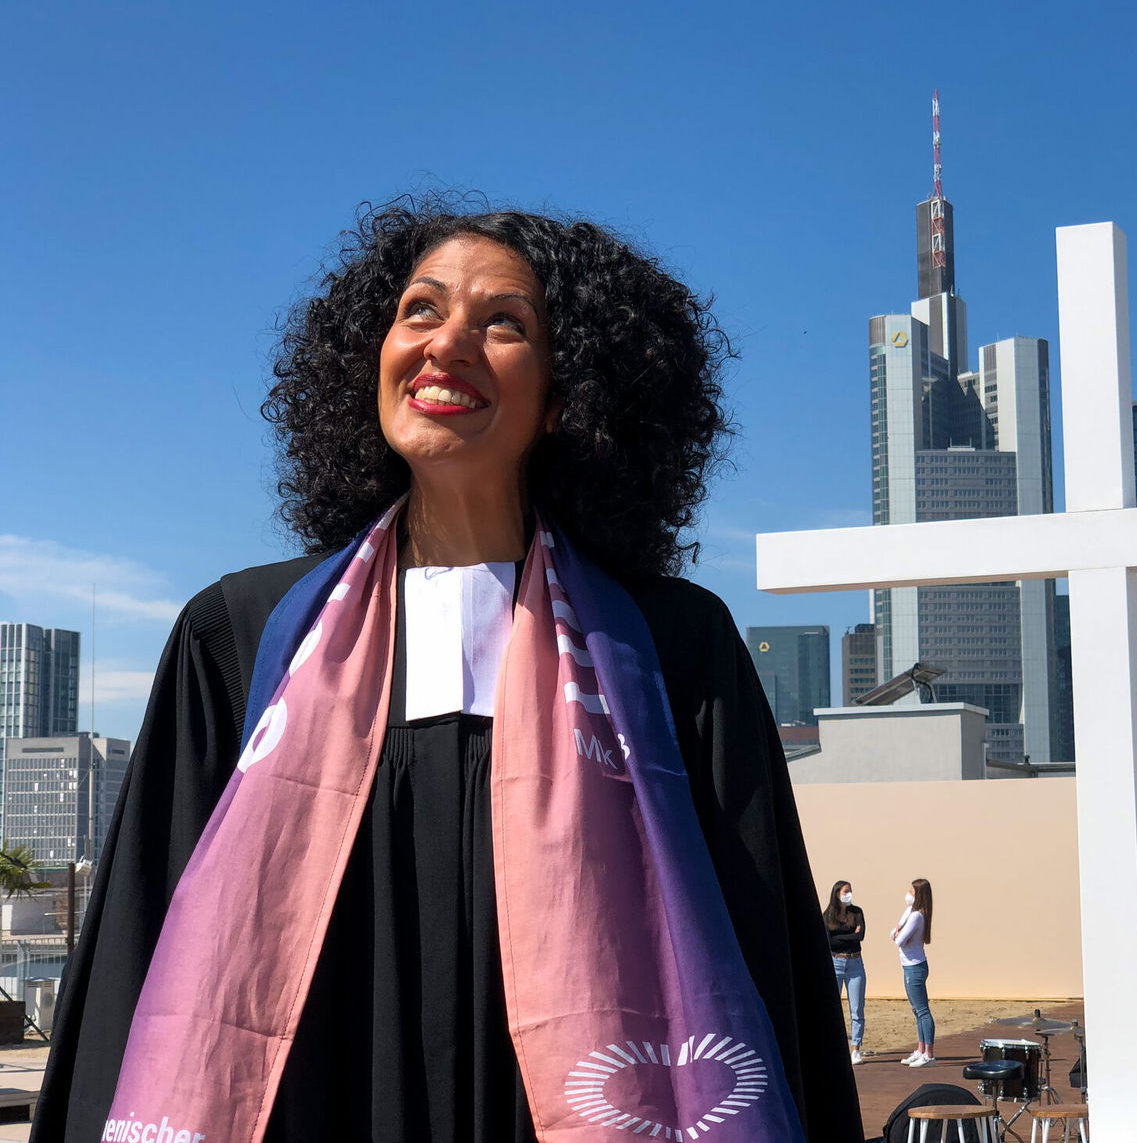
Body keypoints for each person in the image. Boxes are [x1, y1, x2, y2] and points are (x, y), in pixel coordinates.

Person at [33, 197, 863, 1143]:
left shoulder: (667, 648)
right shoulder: (243, 635)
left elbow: (758, 963)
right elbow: (143, 952)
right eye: (420, 310)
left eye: (503, 323)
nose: (446, 344)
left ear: (566, 396)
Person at [894, 877, 937, 1067]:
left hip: (915, 967)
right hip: (909, 966)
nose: (908, 895)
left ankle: (929, 1054)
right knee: (916, 1010)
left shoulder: (917, 916)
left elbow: (898, 939)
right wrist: (897, 932)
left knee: (922, 1010)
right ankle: (920, 1049)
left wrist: (898, 932)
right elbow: (894, 933)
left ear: (919, 895)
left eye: (911, 892)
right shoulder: (910, 912)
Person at [825, 880, 867, 1064]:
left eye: (850, 891)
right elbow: (829, 942)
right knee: (833, 1007)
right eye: (846, 891)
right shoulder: (828, 915)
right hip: (836, 962)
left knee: (856, 1008)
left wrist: (840, 936)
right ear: (837, 894)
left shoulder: (856, 912)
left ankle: (856, 1048)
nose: (849, 894)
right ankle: (833, 1047)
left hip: (855, 963)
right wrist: (850, 936)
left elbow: (860, 936)